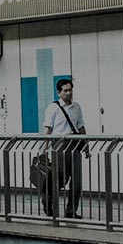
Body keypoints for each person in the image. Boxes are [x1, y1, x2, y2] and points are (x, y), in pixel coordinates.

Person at [39, 78, 89, 218]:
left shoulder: (77, 107)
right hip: (59, 145)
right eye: (65, 91)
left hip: (75, 144)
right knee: (60, 179)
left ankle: (71, 211)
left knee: (77, 181)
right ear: (59, 93)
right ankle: (48, 202)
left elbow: (81, 127)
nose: (68, 93)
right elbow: (48, 129)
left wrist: (86, 145)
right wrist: (44, 149)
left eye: (70, 90)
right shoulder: (53, 108)